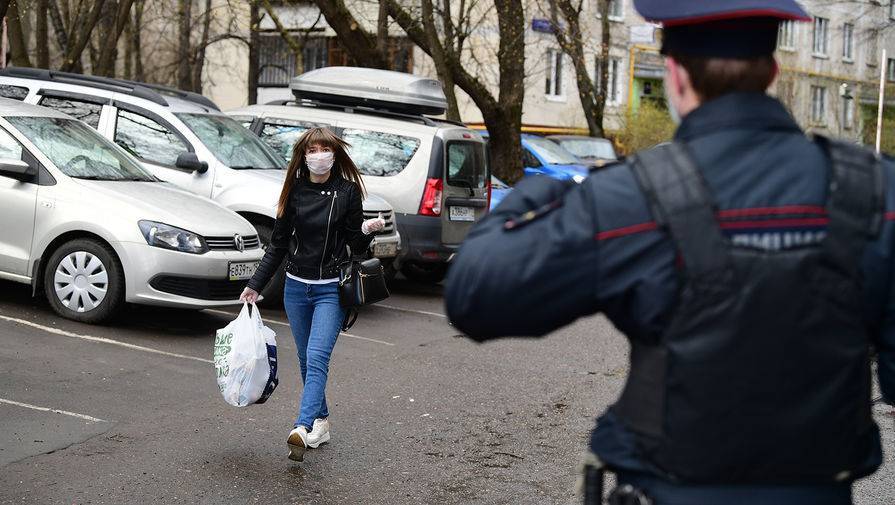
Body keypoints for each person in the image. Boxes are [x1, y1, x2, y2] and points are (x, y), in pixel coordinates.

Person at [444, 1, 895, 503]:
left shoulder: (631, 197)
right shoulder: (876, 192)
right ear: (771, 71)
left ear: (676, 76)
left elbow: (474, 297)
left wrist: (536, 194)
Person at [240, 127, 385, 462]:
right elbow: (277, 244)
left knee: (317, 357)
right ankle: (321, 422)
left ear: (335, 154)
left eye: (325, 149)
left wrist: (364, 231)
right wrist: (256, 284)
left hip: (330, 290)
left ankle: (303, 426)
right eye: (313, 149)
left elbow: (356, 245)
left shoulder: (348, 192)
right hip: (295, 287)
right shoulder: (294, 192)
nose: (319, 155)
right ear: (303, 156)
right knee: (306, 360)